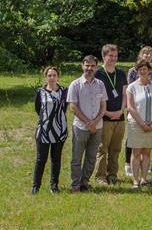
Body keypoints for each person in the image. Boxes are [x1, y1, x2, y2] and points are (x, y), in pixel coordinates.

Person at [67, 56, 107, 192]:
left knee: (91, 157)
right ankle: (75, 185)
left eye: (92, 66)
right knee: (77, 158)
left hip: (97, 127)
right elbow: (73, 107)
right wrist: (88, 122)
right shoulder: (75, 84)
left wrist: (95, 122)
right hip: (80, 127)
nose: (89, 68)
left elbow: (103, 106)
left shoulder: (100, 84)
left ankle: (85, 183)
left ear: (96, 67)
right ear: (82, 66)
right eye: (87, 65)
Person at [91, 44, 128, 185]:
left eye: (115, 56)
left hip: (120, 116)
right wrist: (106, 112)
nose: (113, 59)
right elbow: (95, 98)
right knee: (102, 148)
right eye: (110, 56)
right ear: (104, 56)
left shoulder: (121, 73)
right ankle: (100, 176)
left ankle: (112, 174)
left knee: (116, 148)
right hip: (104, 117)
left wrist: (121, 109)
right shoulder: (98, 74)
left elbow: (125, 93)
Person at [125, 59, 152, 188]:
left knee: (146, 152)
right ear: (137, 71)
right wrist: (142, 124)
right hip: (136, 124)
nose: (142, 71)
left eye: (145, 68)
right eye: (140, 69)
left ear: (149, 70)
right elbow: (130, 107)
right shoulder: (132, 87)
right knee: (136, 152)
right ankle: (135, 180)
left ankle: (144, 178)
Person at [32, 66, 68, 194]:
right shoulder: (40, 91)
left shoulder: (64, 91)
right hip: (44, 131)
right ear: (45, 77)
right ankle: (36, 187)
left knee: (56, 158)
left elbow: (64, 108)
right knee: (41, 159)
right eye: (49, 75)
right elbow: (38, 109)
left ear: (58, 76)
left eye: (54, 75)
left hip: (59, 130)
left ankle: (54, 185)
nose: (52, 78)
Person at [125, 46, 152, 176]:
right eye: (145, 53)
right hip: (135, 109)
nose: (147, 56)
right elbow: (131, 88)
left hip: (148, 109)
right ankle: (128, 164)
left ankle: (144, 164)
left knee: (146, 142)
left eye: (150, 54)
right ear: (140, 54)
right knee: (132, 140)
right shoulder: (133, 70)